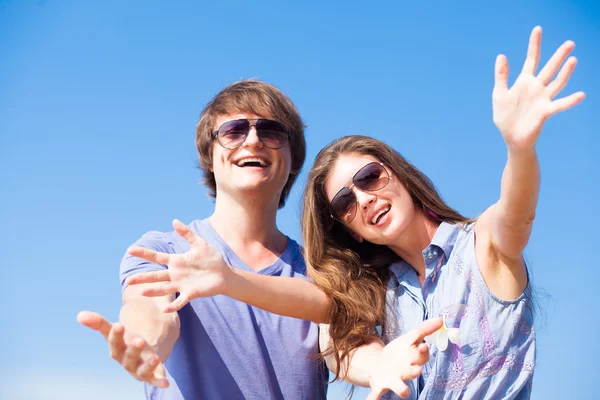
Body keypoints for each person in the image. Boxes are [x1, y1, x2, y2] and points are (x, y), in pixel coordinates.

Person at [126, 26, 583, 399]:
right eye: (344, 202)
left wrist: (520, 149)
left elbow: (514, 218)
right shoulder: (380, 290)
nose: (362, 198)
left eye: (369, 176)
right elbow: (150, 315)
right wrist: (141, 344)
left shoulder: (467, 249)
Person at [77, 79, 335, 399]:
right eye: (233, 131)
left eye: (271, 131)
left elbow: (345, 351)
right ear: (209, 157)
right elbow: (149, 310)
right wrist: (142, 341)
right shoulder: (163, 251)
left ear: (293, 159)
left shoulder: (322, 272)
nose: (253, 140)